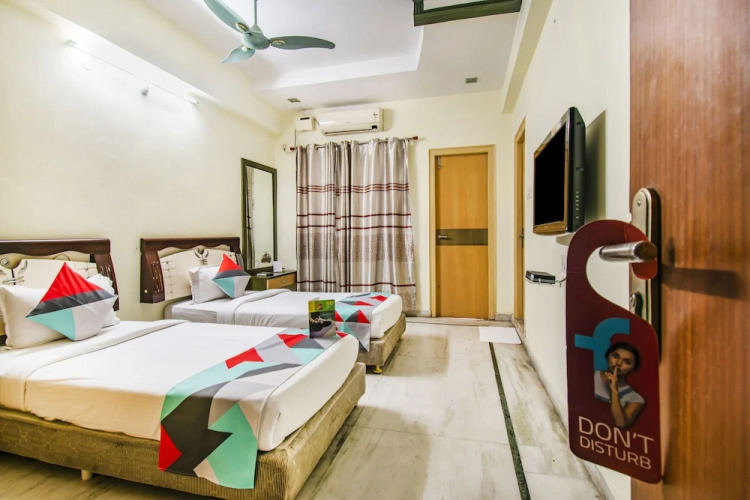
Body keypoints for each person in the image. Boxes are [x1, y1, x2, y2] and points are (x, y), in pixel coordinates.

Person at [594, 341, 645, 428]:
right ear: (608, 356)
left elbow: (620, 423)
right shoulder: (591, 375)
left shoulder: (635, 398)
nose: (618, 363)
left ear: (632, 368)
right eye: (615, 356)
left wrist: (614, 390)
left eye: (627, 362)